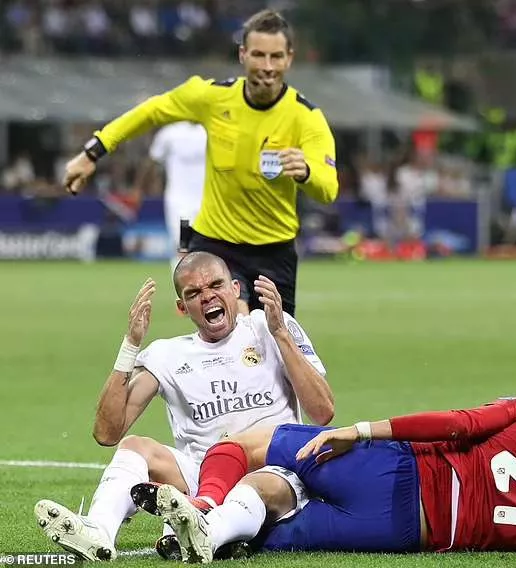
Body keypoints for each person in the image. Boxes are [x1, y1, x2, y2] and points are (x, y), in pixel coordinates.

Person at [34, 252, 334, 561]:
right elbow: (107, 432)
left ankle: (206, 528)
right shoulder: (168, 355)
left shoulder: (267, 326)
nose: (207, 297)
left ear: (234, 289)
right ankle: (98, 531)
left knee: (255, 485)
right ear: (182, 307)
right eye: (194, 293)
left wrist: (281, 334)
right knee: (134, 446)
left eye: (215, 285)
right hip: (202, 476)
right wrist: (130, 344)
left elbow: (322, 411)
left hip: (273, 470)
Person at [62, 9, 338, 316]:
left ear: (289, 58)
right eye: (259, 55)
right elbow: (153, 110)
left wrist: (308, 172)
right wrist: (92, 153)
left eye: (276, 57)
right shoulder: (212, 98)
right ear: (243, 54)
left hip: (274, 251)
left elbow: (328, 188)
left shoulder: (307, 118)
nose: (267, 66)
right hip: (215, 244)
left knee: (274, 351)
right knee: (236, 332)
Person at [146, 397, 516, 561]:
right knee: (259, 527)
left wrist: (363, 431)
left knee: (246, 446)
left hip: (397, 472)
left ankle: (204, 508)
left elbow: (457, 424)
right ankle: (212, 534)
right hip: (400, 534)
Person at [134, 122, 207, 272]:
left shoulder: (211, 130)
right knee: (182, 246)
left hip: (208, 202)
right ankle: (181, 291)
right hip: (179, 202)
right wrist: (139, 189)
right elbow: (151, 161)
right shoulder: (169, 133)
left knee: (206, 249)